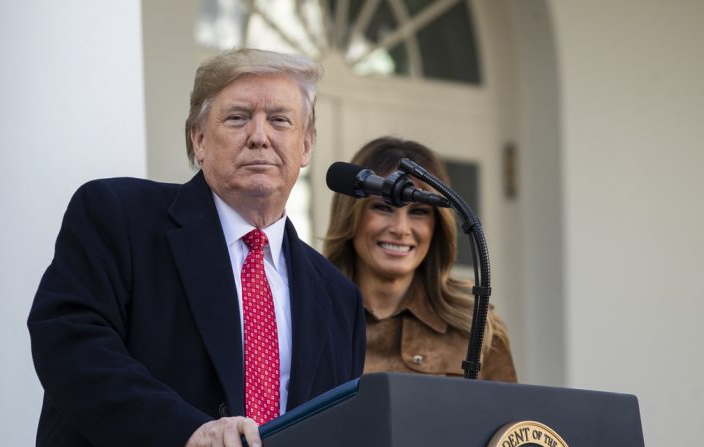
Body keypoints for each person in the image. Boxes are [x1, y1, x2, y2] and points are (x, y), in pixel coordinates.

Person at [28, 49, 365, 447]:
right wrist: (186, 431)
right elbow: (72, 348)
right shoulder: (118, 216)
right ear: (199, 139)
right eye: (238, 118)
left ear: (306, 146)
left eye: (280, 120)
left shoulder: (338, 297)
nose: (260, 137)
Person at [323, 137, 516, 382]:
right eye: (382, 208)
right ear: (350, 215)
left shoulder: (477, 327)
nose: (401, 228)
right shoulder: (307, 314)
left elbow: (512, 421)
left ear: (437, 226)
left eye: (419, 212)